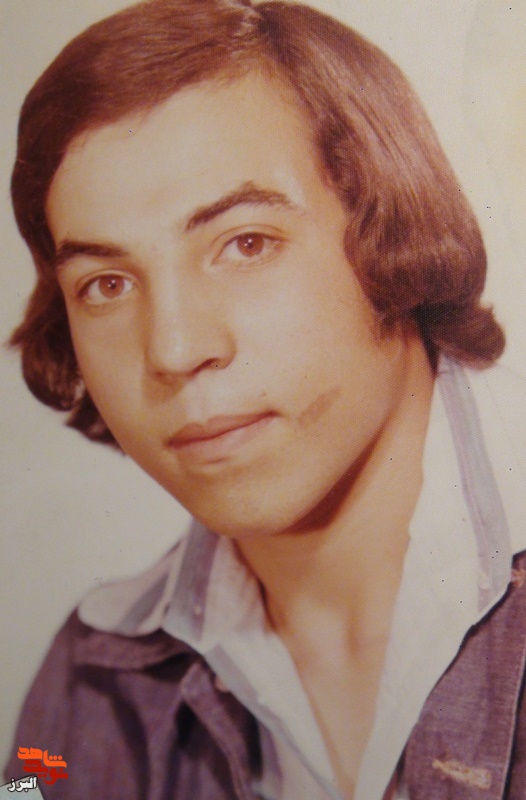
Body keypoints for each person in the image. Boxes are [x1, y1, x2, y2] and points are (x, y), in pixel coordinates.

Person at [4, 0, 526, 797]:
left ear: (392, 230)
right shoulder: (84, 692)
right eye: (106, 284)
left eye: (245, 244)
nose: (174, 349)